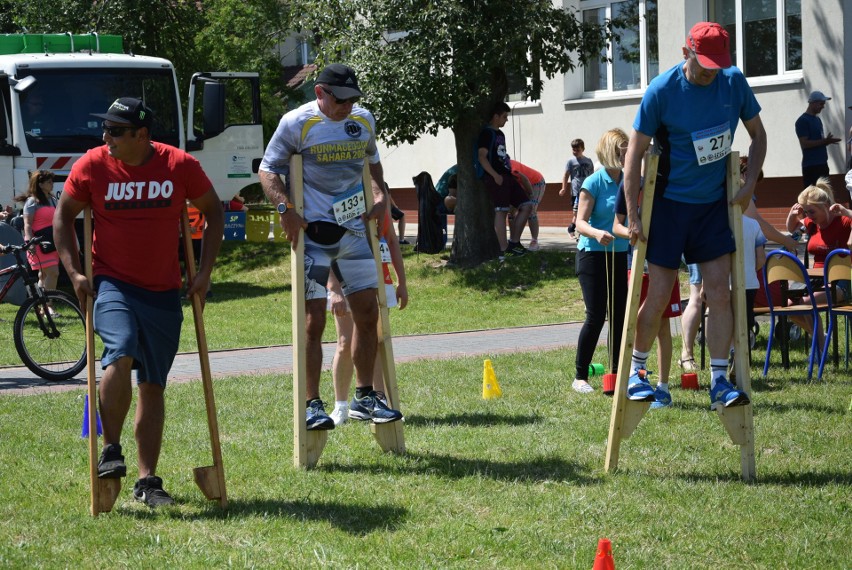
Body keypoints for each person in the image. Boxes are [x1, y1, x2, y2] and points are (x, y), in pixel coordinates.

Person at [54, 97, 224, 508]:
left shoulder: (179, 165)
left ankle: (148, 480)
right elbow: (63, 216)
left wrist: (203, 272)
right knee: (121, 349)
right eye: (106, 129)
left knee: (153, 384)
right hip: (112, 284)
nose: (105, 137)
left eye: (115, 130)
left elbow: (214, 212)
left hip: (163, 290)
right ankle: (110, 448)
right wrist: (75, 272)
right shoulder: (92, 165)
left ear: (142, 135)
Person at [623, 21, 767, 411]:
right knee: (657, 296)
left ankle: (720, 380)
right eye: (704, 65)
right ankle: (638, 373)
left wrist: (750, 181)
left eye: (716, 65)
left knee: (719, 291)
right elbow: (633, 155)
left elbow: (759, 135)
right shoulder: (662, 90)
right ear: (685, 53)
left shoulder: (733, 82)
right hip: (668, 205)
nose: (710, 73)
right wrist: (634, 216)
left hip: (710, 207)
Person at [258, 63, 403, 430]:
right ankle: (312, 404)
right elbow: (267, 169)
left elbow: (373, 163)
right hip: (314, 232)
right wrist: (284, 209)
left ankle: (365, 396)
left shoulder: (363, 121)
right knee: (314, 321)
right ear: (320, 93)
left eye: (353, 99)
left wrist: (380, 193)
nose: (347, 107)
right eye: (340, 100)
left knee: (368, 313)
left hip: (355, 231)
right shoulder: (297, 122)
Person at [329, 210, 408, 425]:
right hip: (348, 280)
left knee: (375, 340)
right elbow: (326, 244)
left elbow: (391, 240)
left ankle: (377, 400)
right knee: (345, 342)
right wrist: (334, 287)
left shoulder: (380, 195)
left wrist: (402, 282)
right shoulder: (343, 195)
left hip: (379, 282)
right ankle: (340, 406)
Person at [571, 128, 629, 394]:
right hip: (592, 254)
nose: (627, 153)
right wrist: (597, 233)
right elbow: (579, 223)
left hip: (619, 254)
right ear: (611, 152)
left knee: (619, 317)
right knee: (596, 316)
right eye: (622, 149)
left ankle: (615, 373)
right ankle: (580, 376)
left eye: (627, 148)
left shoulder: (628, 181)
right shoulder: (593, 182)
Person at [784, 178, 852, 349]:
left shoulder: (843, 221)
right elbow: (792, 228)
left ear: (826, 206)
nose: (808, 217)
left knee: (807, 303)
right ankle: (820, 336)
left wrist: (846, 211)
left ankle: (820, 351)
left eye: (811, 212)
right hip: (816, 280)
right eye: (806, 212)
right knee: (789, 305)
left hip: (840, 283)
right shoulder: (812, 224)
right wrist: (792, 215)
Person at [477, 101, 533, 256]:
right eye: (504, 116)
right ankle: (503, 250)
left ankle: (513, 243)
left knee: (527, 205)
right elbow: (482, 157)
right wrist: (495, 176)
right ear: (495, 116)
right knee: (501, 211)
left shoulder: (500, 134)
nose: (506, 120)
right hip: (496, 178)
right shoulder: (486, 133)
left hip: (508, 176)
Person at [15, 170, 60, 292]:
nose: (52, 184)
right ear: (40, 185)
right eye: (49, 182)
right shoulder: (32, 201)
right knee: (53, 272)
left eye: (52, 181)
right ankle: (49, 304)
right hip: (38, 243)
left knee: (43, 275)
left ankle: (41, 304)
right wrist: (30, 242)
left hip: (51, 242)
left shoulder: (53, 199)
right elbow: (27, 225)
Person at [795, 91, 841, 188]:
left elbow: (818, 141)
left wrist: (827, 142)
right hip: (812, 166)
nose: (823, 107)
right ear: (813, 103)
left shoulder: (817, 120)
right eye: (821, 104)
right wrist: (824, 141)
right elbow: (804, 143)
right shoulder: (802, 121)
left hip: (822, 164)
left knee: (825, 195)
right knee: (813, 198)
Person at [560, 139, 594, 239]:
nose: (575, 152)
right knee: (577, 212)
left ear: (583, 149)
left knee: (586, 212)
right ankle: (573, 229)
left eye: (577, 150)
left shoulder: (588, 161)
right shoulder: (571, 161)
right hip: (576, 192)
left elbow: (592, 176)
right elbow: (566, 175)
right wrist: (563, 188)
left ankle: (576, 230)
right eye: (573, 150)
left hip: (587, 191)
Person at [509, 159, 546, 251]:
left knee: (531, 210)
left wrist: (530, 195)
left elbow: (525, 180)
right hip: (520, 185)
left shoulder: (510, 167)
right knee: (511, 212)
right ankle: (513, 240)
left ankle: (534, 241)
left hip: (535, 182)